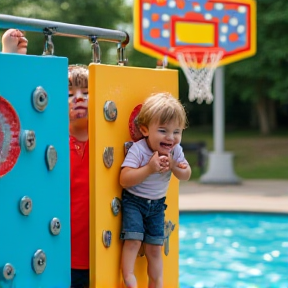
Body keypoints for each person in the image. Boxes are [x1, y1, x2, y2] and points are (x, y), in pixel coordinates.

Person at [2, 30, 90, 288]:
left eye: (86, 91)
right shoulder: (50, 139)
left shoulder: (105, 141)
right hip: (55, 252)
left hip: (97, 253)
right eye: (69, 92)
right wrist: (12, 56)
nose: (79, 97)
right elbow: (14, 107)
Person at [119, 92, 191, 288]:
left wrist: (175, 166)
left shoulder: (175, 151)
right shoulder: (139, 150)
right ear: (144, 130)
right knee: (133, 240)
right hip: (134, 202)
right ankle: (129, 278)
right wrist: (149, 168)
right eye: (163, 130)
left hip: (157, 206)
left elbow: (186, 174)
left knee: (155, 248)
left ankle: (156, 282)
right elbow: (124, 179)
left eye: (176, 132)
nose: (170, 137)